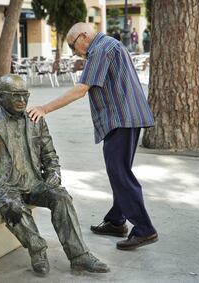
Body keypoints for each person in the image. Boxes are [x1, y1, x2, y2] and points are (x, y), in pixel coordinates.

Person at [0, 74, 109, 276]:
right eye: (15, 95)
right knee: (14, 207)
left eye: (25, 95)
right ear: (0, 97)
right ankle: (38, 250)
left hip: (33, 182)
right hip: (1, 187)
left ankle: (79, 256)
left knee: (61, 197)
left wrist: (54, 172)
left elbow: (49, 153)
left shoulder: (36, 120)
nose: (22, 100)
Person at [27, 22, 158, 251]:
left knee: (120, 172)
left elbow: (81, 89)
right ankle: (117, 220)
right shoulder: (111, 44)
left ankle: (144, 229)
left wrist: (44, 108)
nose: (74, 51)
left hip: (122, 118)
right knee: (118, 170)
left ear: (83, 36)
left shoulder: (100, 49)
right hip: (126, 117)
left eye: (72, 45)